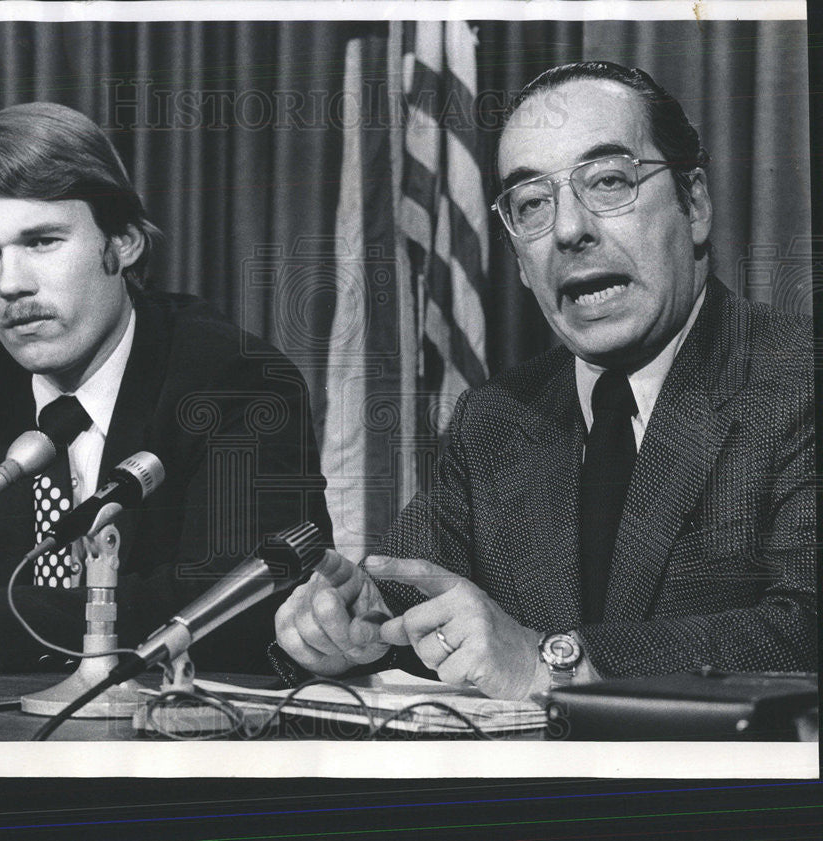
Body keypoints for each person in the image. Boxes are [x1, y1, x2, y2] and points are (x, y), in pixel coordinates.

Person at [272, 61, 815, 700]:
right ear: (522, 265)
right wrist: (357, 625)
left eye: (609, 182)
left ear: (694, 204)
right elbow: (414, 589)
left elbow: (806, 625)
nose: (567, 230)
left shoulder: (799, 377)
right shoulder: (495, 417)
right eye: (533, 203)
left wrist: (550, 660)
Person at [0, 102, 332, 674]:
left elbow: (250, 596)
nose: (10, 284)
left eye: (42, 241)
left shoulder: (234, 381)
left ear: (122, 242)